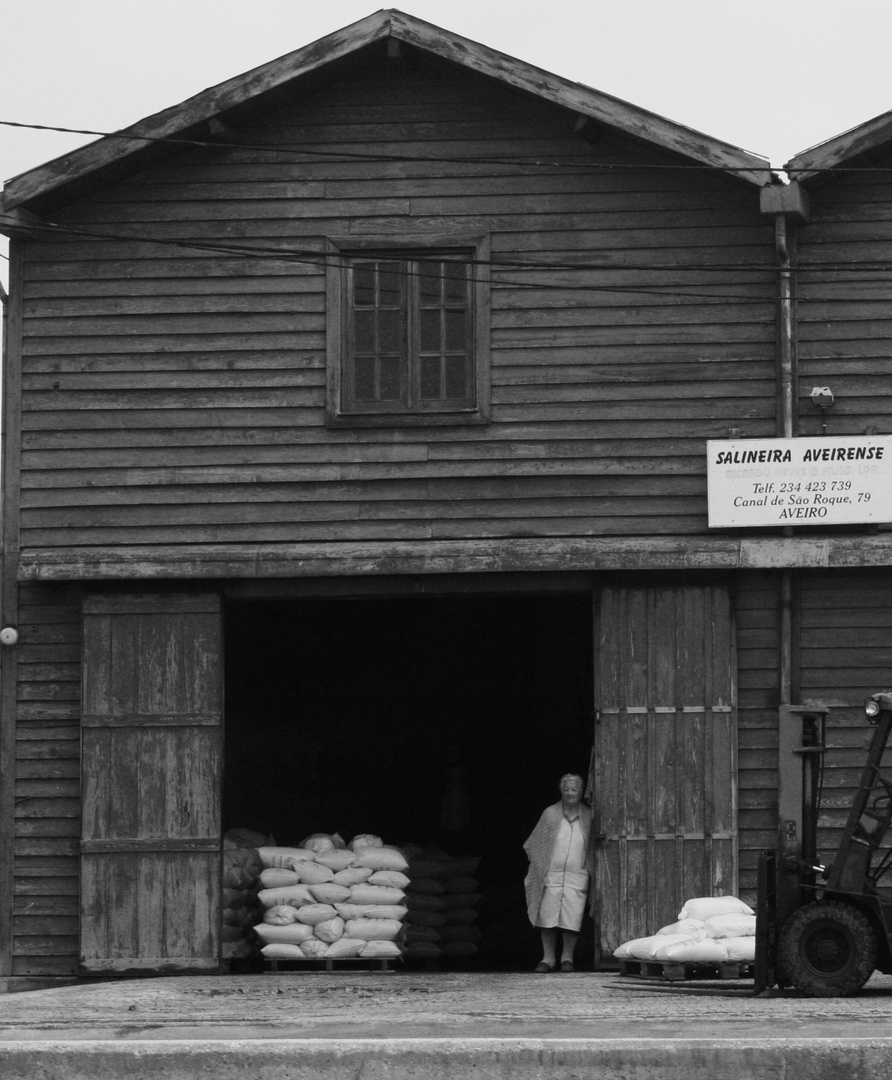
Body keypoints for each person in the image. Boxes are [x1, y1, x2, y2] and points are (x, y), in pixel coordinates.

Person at [523, 773, 594, 973]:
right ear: (561, 791)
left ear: (581, 792)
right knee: (547, 917)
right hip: (551, 874)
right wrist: (539, 866)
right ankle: (548, 959)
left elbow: (594, 847)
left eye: (574, 789)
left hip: (576, 875)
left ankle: (567, 959)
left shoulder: (588, 816)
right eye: (567, 789)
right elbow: (533, 844)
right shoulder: (550, 814)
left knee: (572, 918)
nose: (570, 793)